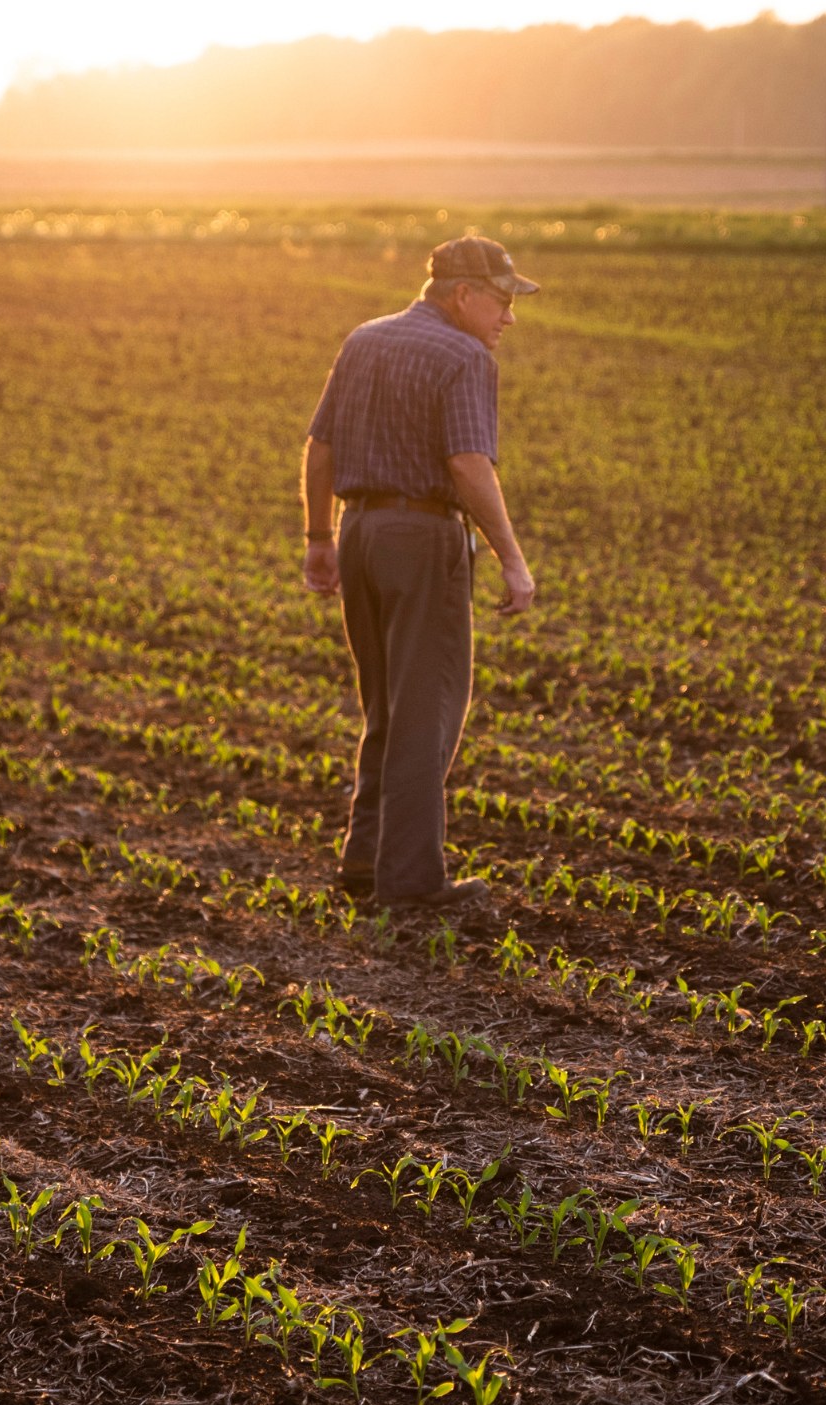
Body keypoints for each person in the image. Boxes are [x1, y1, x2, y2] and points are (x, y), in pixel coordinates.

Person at [299, 234, 541, 912]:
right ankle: (409, 881)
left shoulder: (364, 340)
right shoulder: (465, 356)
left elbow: (320, 448)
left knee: (385, 703)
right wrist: (511, 558)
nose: (509, 317)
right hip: (423, 538)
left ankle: (365, 858)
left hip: (360, 534)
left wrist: (319, 538)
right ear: (462, 295)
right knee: (426, 710)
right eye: (502, 301)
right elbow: (467, 464)